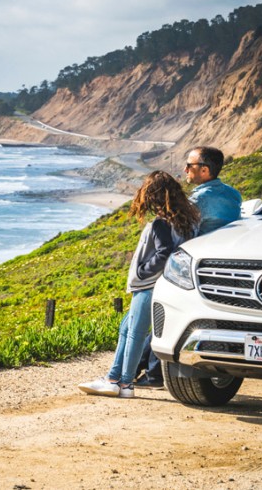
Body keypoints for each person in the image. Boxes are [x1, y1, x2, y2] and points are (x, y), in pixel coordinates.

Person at [78, 170, 200, 399]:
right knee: (126, 329)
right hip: (169, 284)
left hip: (149, 285)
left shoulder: (161, 224)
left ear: (153, 196)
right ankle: (113, 377)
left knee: (135, 333)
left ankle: (124, 384)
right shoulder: (188, 222)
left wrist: (143, 272)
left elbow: (163, 253)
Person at [135, 145, 242, 388]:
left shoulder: (197, 200)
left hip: (198, 268)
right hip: (228, 266)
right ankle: (143, 371)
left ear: (204, 170)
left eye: (190, 166)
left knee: (172, 318)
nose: (185, 170)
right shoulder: (234, 194)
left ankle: (148, 374)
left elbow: (180, 229)